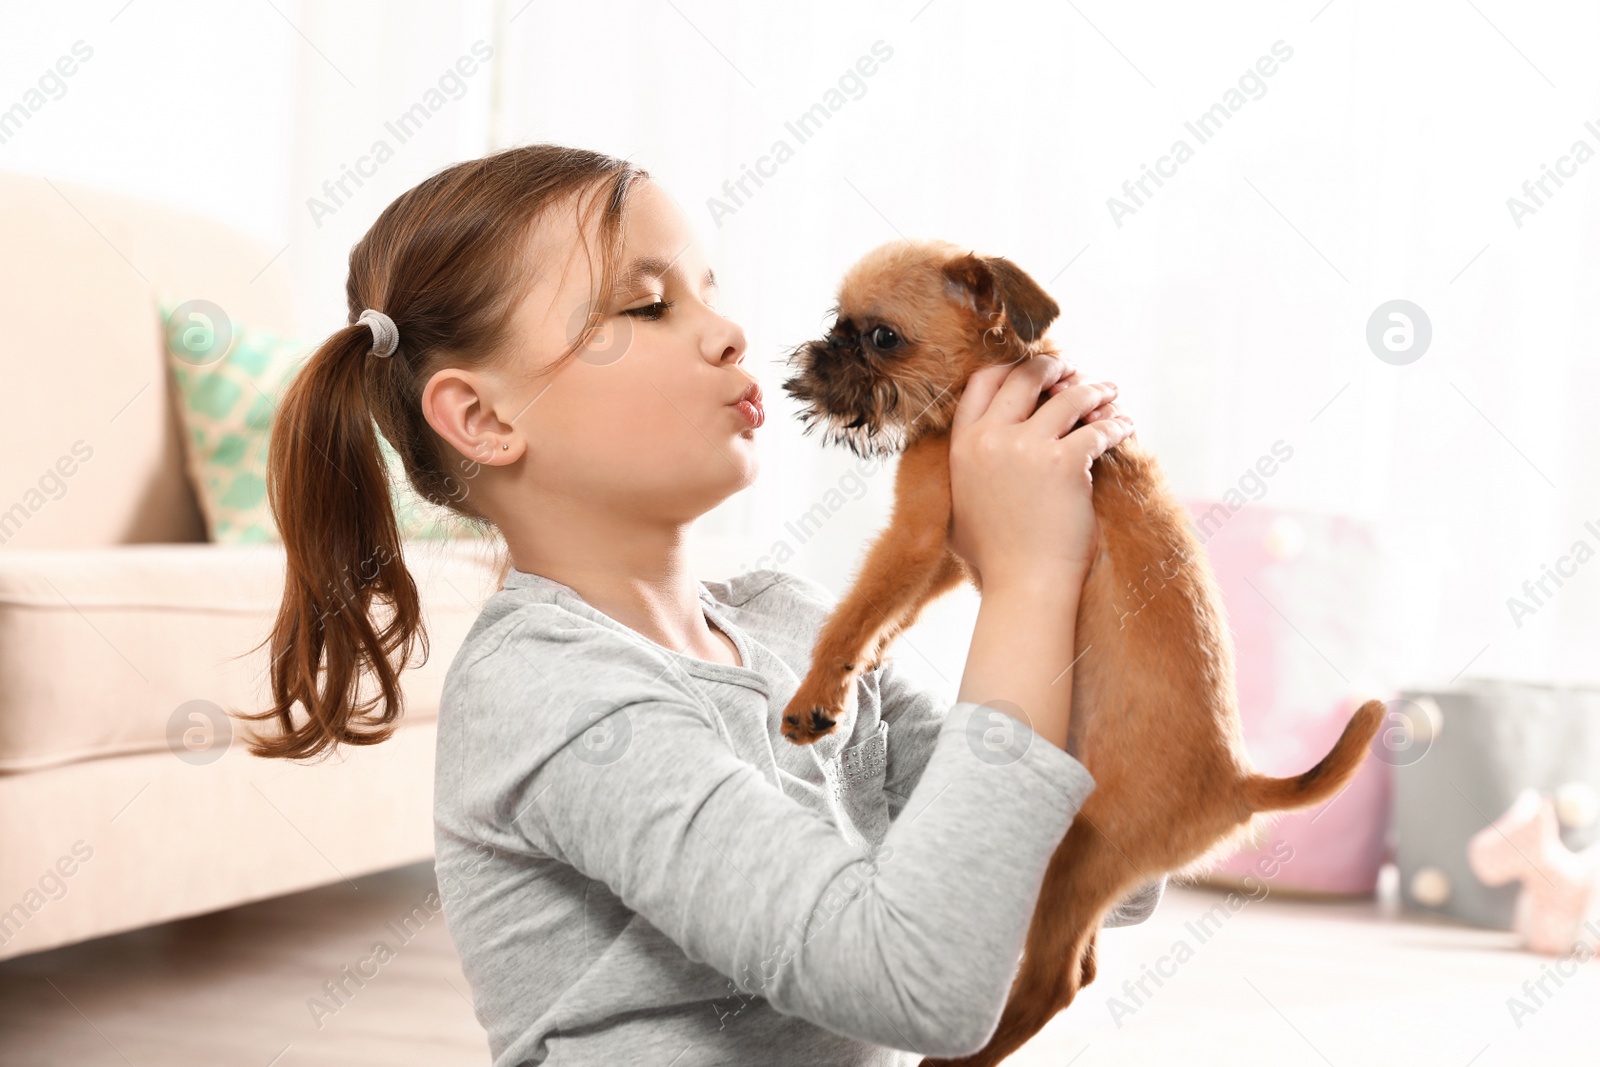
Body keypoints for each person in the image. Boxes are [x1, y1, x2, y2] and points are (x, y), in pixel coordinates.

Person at [244, 142, 1160, 1066]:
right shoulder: (552, 694)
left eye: (710, 293)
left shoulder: (789, 624)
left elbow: (1103, 875)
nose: (728, 334)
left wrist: (1086, 553)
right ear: (483, 418)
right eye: (647, 306)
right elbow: (921, 986)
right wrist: (1028, 578)